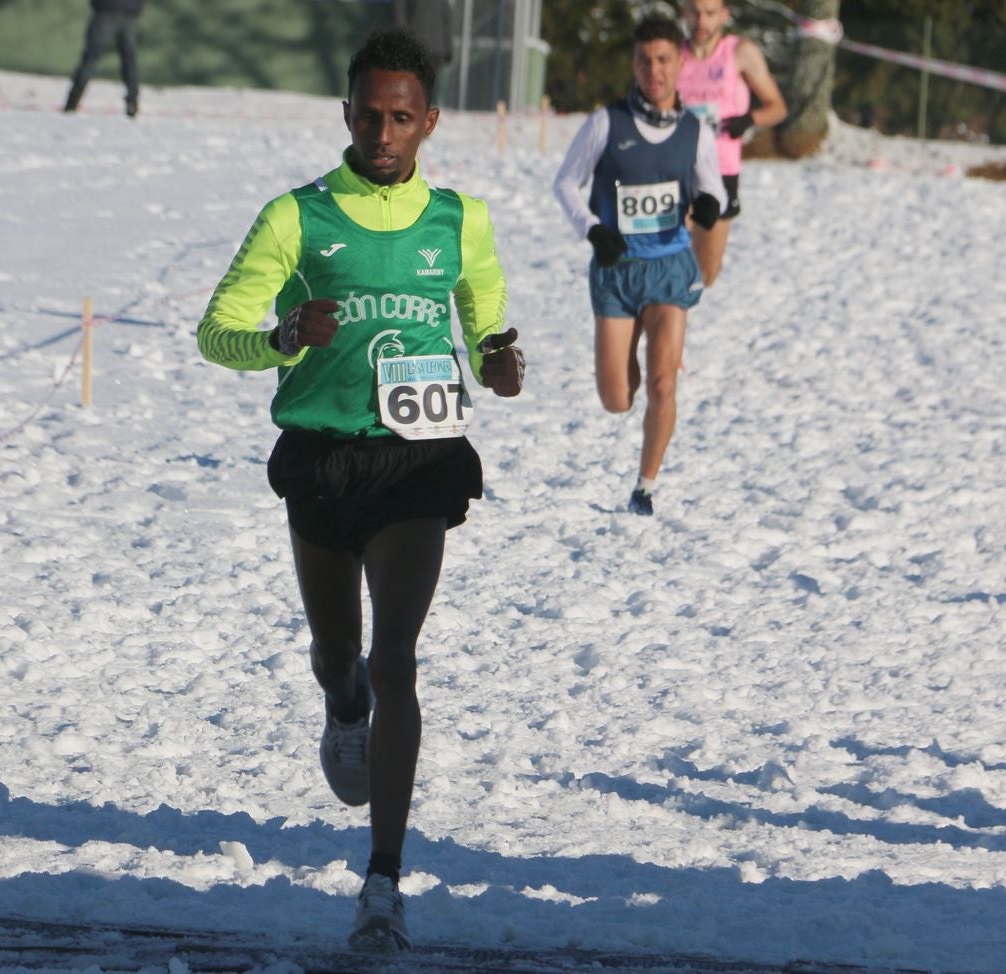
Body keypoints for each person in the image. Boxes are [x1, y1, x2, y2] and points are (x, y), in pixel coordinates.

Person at [196, 26, 524, 953]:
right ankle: (343, 706)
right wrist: (282, 335)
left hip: (419, 460)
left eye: (402, 118)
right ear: (347, 114)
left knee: (397, 659)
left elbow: (488, 322)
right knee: (339, 653)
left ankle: (383, 880)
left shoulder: (460, 219)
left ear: (429, 123)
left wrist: (498, 361)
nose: (384, 133)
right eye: (370, 116)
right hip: (323, 457)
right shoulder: (297, 216)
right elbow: (214, 332)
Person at [553, 15, 725, 517]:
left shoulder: (695, 130)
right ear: (633, 63)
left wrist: (710, 206)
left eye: (664, 59)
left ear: (679, 63)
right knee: (617, 398)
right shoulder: (606, 123)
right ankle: (635, 357)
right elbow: (565, 183)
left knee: (663, 383)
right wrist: (593, 229)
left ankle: (644, 487)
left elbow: (712, 185)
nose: (654, 70)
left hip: (670, 267)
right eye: (644, 60)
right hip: (617, 270)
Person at [677, 0, 787, 286]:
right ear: (684, 14)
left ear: (724, 16)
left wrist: (748, 119)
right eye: (695, 13)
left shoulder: (739, 52)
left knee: (706, 271)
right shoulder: (673, 55)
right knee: (666, 256)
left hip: (720, 170)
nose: (702, 22)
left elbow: (777, 107)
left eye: (710, 14)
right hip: (676, 167)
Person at [64, 0, 145, 118]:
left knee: (90, 59)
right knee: (129, 62)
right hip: (129, 12)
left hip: (106, 10)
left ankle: (72, 103)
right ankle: (132, 103)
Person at [392, 0, 453, 104]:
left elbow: (400, 17)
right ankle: (425, 111)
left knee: (417, 84)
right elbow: (447, 18)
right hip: (433, 45)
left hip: (418, 43)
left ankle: (420, 111)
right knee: (427, 85)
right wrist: (448, 47)